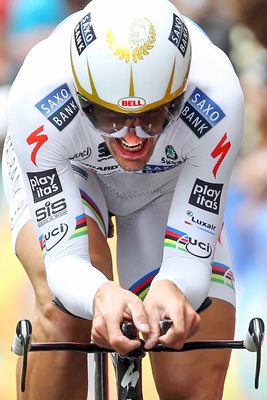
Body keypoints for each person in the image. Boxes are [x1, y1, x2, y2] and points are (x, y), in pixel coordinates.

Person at [1, 0, 244, 399]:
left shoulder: (217, 98)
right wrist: (98, 293)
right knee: (65, 313)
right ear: (81, 97)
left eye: (151, 118)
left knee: (188, 364)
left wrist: (174, 284)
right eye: (109, 118)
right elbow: (66, 261)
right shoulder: (39, 95)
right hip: (75, 168)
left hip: (168, 181)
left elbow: (189, 260)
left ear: (179, 96)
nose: (132, 138)